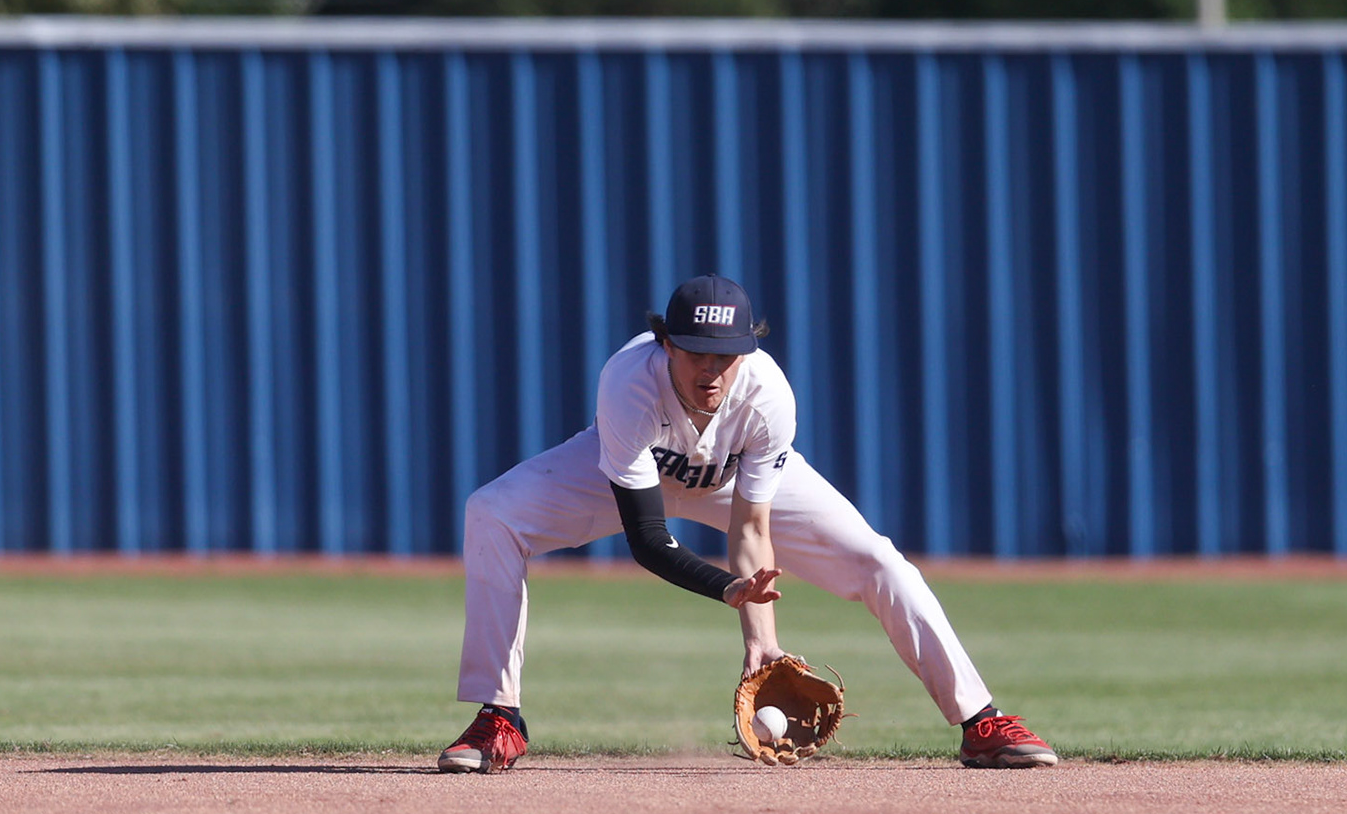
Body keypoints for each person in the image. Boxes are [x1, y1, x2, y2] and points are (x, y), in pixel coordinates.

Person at [439, 274, 1055, 774]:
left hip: (734, 482)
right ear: (666, 346)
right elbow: (648, 541)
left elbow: (750, 530)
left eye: (727, 356)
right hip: (629, 473)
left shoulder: (766, 395)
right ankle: (501, 719)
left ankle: (981, 722)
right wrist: (725, 588)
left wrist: (759, 644)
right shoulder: (628, 385)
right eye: (695, 353)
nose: (711, 370)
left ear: (747, 352)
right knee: (493, 514)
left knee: (879, 561)